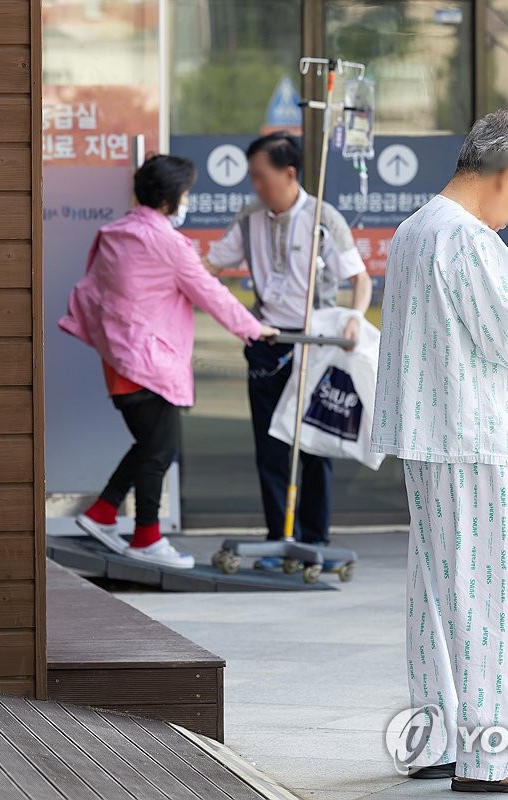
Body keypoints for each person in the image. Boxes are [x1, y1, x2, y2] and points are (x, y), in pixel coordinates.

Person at [372, 110, 508, 793]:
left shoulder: (416, 228)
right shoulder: (471, 242)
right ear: (507, 176)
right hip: (483, 442)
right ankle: (492, 762)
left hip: (432, 437)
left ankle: (435, 741)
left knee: (439, 597)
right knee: (501, 603)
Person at [60, 154, 278, 568]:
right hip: (151, 363)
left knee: (149, 445)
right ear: (170, 198)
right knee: (159, 452)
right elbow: (208, 293)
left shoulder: (116, 234)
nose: (187, 200)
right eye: (186, 193)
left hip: (120, 361)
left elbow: (90, 293)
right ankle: (147, 537)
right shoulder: (166, 243)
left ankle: (103, 513)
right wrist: (254, 329)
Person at [204, 133, 372, 568]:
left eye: (261, 176)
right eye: (252, 177)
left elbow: (359, 279)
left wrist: (355, 316)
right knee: (271, 445)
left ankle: (314, 540)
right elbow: (210, 266)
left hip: (316, 343)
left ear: (289, 173)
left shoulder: (322, 219)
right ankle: (279, 537)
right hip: (267, 341)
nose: (256, 185)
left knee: (313, 444)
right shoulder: (249, 218)